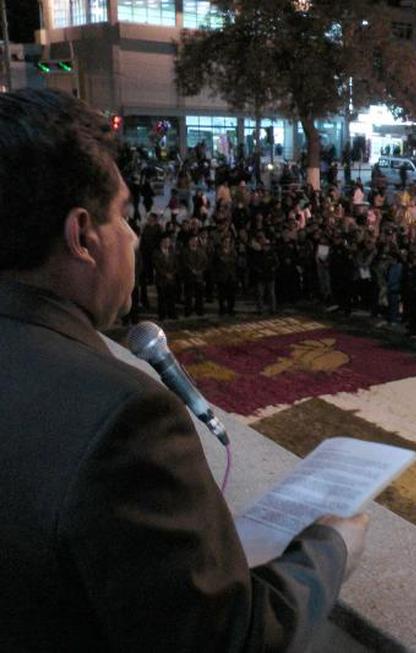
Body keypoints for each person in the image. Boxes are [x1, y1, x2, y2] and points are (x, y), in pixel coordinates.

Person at [0, 89, 367, 650]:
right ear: (82, 237)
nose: (133, 234)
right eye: (122, 213)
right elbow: (228, 638)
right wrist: (330, 550)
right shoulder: (126, 421)